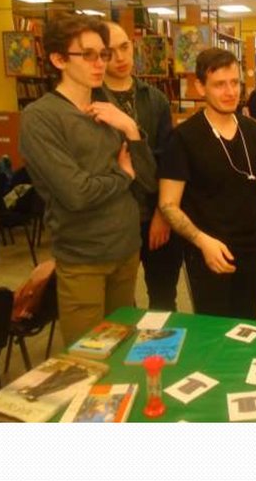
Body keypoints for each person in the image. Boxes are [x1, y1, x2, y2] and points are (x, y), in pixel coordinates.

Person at [19, 14, 156, 347]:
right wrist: (122, 175)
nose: (100, 63)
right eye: (88, 55)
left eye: (103, 54)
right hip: (83, 258)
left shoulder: (108, 107)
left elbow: (149, 179)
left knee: (122, 347)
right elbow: (77, 193)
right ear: (59, 59)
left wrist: (130, 128)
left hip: (126, 248)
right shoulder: (40, 118)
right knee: (87, 356)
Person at [159, 48, 256, 319]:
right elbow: (168, 204)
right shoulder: (183, 138)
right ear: (200, 87)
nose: (230, 92)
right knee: (214, 330)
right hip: (206, 254)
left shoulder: (253, 132)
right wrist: (202, 242)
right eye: (219, 84)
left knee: (247, 325)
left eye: (235, 83)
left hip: (250, 250)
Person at [94, 21, 181, 311]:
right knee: (117, 304)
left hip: (155, 213)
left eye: (125, 47)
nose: (120, 58)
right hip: (113, 218)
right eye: (109, 53)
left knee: (163, 298)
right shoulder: (90, 100)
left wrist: (162, 214)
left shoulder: (155, 99)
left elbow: (168, 164)